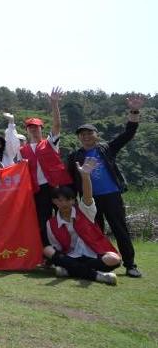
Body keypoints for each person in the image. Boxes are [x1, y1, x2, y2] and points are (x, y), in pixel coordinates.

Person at [66, 96, 144, 278]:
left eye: (89, 133)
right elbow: (71, 180)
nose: (86, 136)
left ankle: (130, 265)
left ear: (97, 135)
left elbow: (128, 134)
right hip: (89, 200)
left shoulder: (106, 149)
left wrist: (134, 111)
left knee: (120, 229)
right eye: (82, 134)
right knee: (96, 232)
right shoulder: (74, 156)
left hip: (112, 196)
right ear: (79, 138)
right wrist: (71, 201)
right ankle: (101, 263)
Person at [43, 158, 122, 286]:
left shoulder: (84, 212)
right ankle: (98, 276)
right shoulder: (51, 224)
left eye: (68, 200)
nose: (64, 204)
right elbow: (57, 248)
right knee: (48, 250)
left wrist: (85, 176)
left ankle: (70, 271)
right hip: (71, 256)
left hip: (93, 254)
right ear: (54, 202)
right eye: (60, 200)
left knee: (114, 259)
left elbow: (87, 197)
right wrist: (58, 259)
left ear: (73, 201)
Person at [20, 88, 72, 247]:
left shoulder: (50, 143)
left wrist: (54, 104)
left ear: (41, 128)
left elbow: (57, 125)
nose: (33, 129)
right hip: (38, 190)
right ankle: (48, 251)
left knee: (66, 216)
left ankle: (71, 246)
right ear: (27, 130)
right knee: (43, 220)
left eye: (36, 127)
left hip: (56, 186)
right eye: (30, 127)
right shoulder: (22, 151)